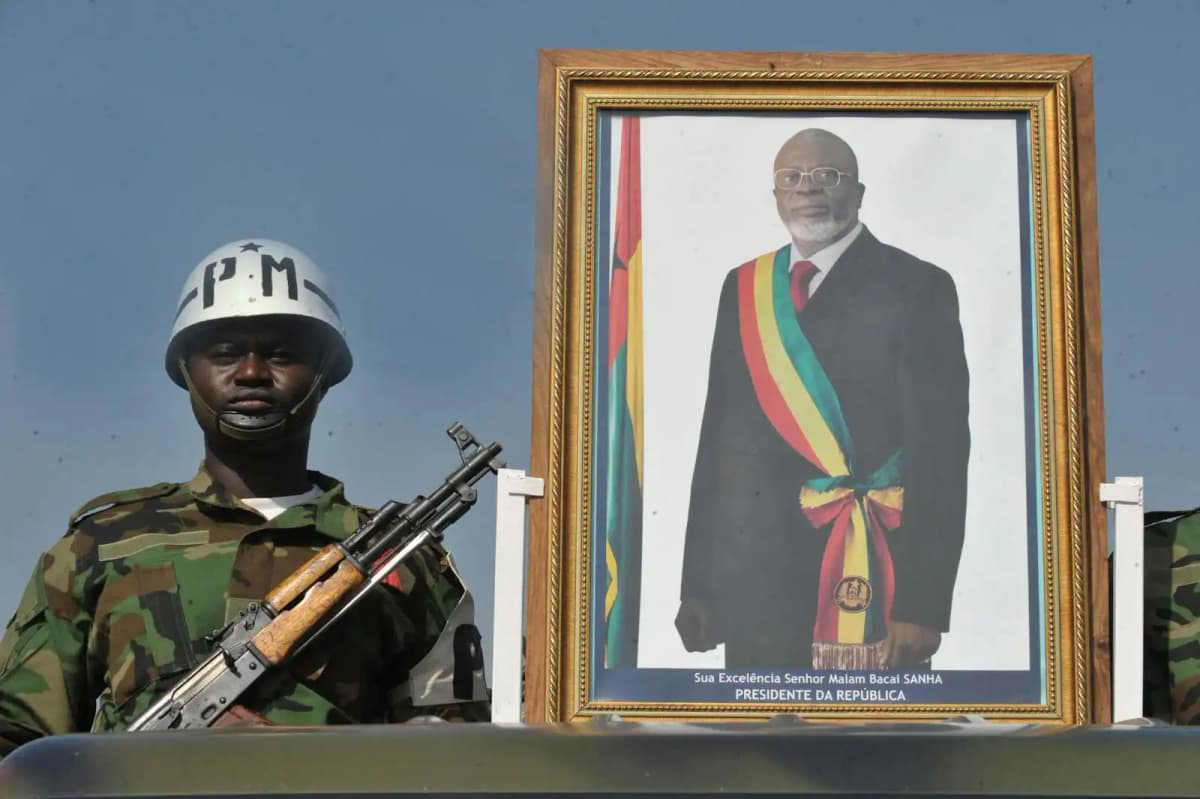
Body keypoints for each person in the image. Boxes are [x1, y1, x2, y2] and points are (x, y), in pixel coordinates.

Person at [0, 239, 490, 756]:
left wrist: (285, 758)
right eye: (226, 352)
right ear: (186, 372)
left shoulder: (408, 564)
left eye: (282, 353)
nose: (252, 372)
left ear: (325, 373)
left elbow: (453, 758)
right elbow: (17, 741)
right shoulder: (97, 548)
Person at [674, 129, 971, 672]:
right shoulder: (742, 287)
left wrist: (923, 604)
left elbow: (941, 455)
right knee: (758, 756)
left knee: (869, 755)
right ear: (776, 197)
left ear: (859, 193)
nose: (807, 190)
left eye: (827, 176)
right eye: (791, 179)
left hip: (868, 577)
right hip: (755, 587)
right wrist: (700, 586)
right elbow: (719, 442)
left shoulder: (917, 286)